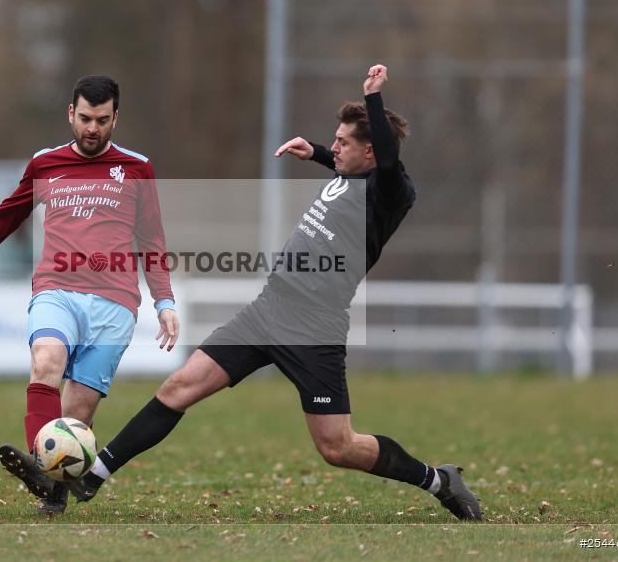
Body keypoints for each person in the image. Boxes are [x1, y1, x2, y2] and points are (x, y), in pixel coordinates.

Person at [68, 65, 482, 521]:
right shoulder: (352, 171)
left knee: (337, 447)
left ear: (370, 150)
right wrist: (320, 153)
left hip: (314, 326)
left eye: (344, 142)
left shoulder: (392, 191)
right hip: (268, 309)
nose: (336, 147)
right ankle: (94, 475)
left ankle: (439, 480)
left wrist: (374, 99)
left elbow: (383, 162)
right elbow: (355, 161)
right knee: (178, 387)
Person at [0, 75, 180, 515]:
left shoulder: (137, 168)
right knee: (46, 362)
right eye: (84, 118)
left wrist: (164, 302)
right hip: (57, 288)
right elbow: (7, 215)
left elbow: (153, 241)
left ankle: (54, 491)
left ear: (115, 118)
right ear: (71, 113)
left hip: (116, 303)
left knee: (77, 413)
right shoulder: (46, 164)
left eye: (102, 120)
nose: (92, 128)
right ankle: (40, 466)